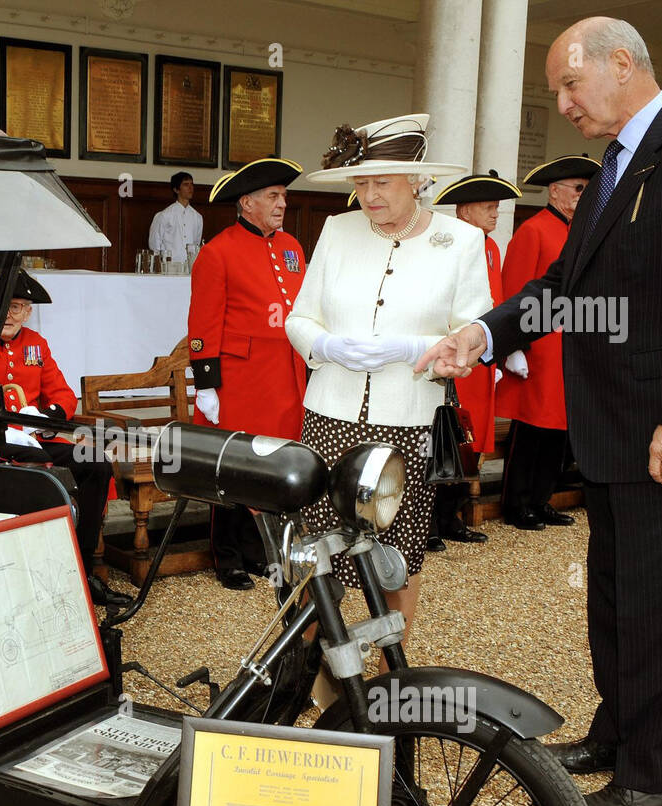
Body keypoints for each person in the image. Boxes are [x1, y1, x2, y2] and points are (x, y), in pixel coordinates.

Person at [416, 17, 662, 806]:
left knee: (654, 599)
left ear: (622, 64)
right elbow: (565, 286)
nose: (565, 105)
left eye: (571, 86)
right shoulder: (619, 161)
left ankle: (655, 776)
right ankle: (618, 733)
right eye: (557, 92)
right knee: (614, 593)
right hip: (614, 428)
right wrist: (485, 333)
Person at [286, 114, 490, 642]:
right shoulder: (337, 229)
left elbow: (475, 329)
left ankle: (384, 675)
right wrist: (326, 345)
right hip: (330, 415)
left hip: (409, 417)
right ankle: (308, 667)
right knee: (317, 550)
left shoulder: (462, 240)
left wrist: (411, 348)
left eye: (383, 182)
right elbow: (299, 317)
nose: (368, 195)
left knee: (398, 552)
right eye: (361, 182)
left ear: (418, 180)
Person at [189, 158, 308, 589]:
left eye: (283, 196)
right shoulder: (217, 251)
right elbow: (202, 324)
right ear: (247, 203)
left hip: (284, 375)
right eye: (273, 196)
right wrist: (206, 383)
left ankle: (261, 552)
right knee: (236, 466)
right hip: (240, 380)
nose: (282, 203)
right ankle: (229, 557)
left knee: (272, 466)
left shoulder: (292, 247)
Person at [0, 270, 132, 608]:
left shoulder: (36, 343)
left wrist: (47, 417)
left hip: (35, 436)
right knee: (43, 473)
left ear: (28, 312)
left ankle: (81, 569)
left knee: (95, 463)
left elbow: (64, 396)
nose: (10, 314)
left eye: (19, 307)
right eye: (5, 306)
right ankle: (38, 575)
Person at [496, 154, 600, 528]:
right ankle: (516, 503)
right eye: (578, 188)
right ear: (555, 192)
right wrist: (514, 345)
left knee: (559, 429)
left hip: (570, 346)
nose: (583, 194)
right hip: (540, 347)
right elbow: (515, 290)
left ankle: (541, 499)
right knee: (532, 429)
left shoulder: (580, 231)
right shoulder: (534, 230)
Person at [427, 169, 524, 548]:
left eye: (496, 207)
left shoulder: (491, 247)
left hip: (482, 359)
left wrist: (499, 348)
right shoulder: (448, 243)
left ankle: (451, 518)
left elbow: (495, 303)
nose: (495, 214)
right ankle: (430, 524)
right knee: (445, 438)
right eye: (488, 207)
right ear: (465, 210)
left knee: (471, 443)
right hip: (456, 357)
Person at [148, 172, 203, 262]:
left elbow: (196, 243)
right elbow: (154, 244)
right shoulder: (164, 215)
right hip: (168, 267)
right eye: (186, 184)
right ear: (176, 189)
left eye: (191, 184)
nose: (190, 188)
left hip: (189, 267)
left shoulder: (198, 217)